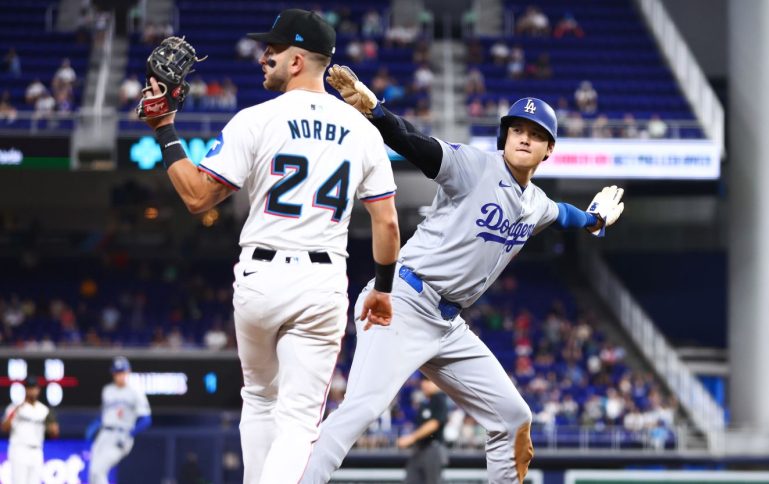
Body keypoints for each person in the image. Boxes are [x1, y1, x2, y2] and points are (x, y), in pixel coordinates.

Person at [303, 67, 624, 483]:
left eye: (536, 133)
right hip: (404, 299)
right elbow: (416, 145)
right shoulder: (475, 166)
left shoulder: (537, 203)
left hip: (447, 323)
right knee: (362, 407)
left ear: (548, 151)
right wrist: (374, 110)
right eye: (517, 129)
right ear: (503, 137)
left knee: (513, 418)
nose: (524, 137)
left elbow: (565, 214)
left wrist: (595, 220)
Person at [138, 9, 400, 484]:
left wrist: (165, 130)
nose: (263, 57)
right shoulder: (363, 130)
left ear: (298, 60)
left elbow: (198, 197)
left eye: (273, 51)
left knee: (259, 398)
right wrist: (382, 288)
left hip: (259, 276)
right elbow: (386, 222)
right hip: (321, 282)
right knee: (299, 420)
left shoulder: (256, 119)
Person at [86, 357, 151, 484]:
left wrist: (130, 434)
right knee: (92, 474)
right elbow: (104, 415)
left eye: (122, 372)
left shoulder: (135, 392)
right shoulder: (107, 390)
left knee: (98, 471)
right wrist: (95, 425)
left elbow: (146, 419)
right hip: (104, 434)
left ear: (128, 372)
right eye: (117, 372)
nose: (119, 375)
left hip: (121, 434)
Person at [2, 376, 59, 484]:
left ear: (38, 390)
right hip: (19, 450)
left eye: (34, 388)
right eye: (29, 388)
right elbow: (4, 427)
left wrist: (53, 429)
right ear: (25, 389)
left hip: (36, 451)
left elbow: (54, 433)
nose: (32, 391)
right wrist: (14, 413)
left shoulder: (44, 410)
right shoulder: (15, 407)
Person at [397, 377, 449, 484]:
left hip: (433, 448)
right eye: (424, 381)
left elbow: (434, 424)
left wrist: (411, 438)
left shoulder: (439, 399)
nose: (425, 384)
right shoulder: (424, 402)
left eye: (429, 381)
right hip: (419, 448)